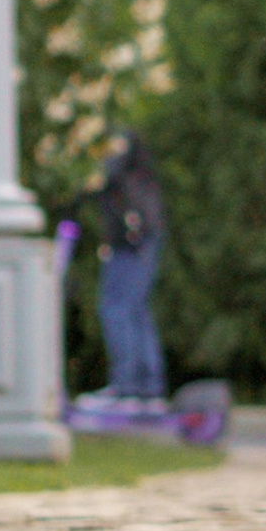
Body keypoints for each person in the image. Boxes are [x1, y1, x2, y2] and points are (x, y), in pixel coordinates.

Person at [93, 130, 169, 405]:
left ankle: (127, 386)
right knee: (135, 311)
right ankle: (147, 387)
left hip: (129, 248)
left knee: (118, 310)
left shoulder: (121, 174)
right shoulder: (140, 174)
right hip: (141, 244)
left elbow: (126, 206)